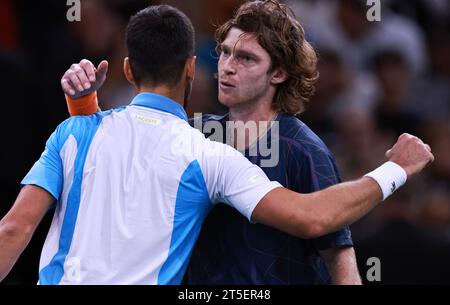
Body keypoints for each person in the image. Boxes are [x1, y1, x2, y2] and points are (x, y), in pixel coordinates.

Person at [0, 4, 433, 285]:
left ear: (278, 73)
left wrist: (393, 169)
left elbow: (334, 245)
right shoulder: (201, 137)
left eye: (245, 58)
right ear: (194, 67)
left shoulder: (303, 149)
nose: (227, 67)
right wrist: (85, 109)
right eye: (224, 53)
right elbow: (119, 157)